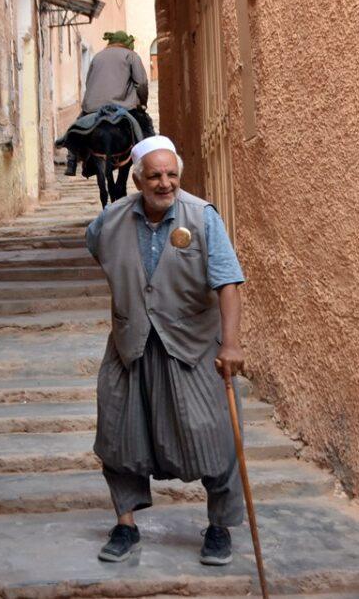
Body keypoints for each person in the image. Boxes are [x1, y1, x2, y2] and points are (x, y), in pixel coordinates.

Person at [85, 135, 246, 566]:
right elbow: (100, 250)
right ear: (137, 179)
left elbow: (228, 283)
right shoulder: (110, 220)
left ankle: (219, 527)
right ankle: (125, 525)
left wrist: (231, 343)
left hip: (192, 345)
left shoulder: (203, 216)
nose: (164, 183)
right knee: (118, 436)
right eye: (155, 175)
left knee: (217, 436)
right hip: (131, 345)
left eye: (171, 174)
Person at [60, 31, 155, 176]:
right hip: (122, 106)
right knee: (146, 126)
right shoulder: (131, 56)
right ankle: (151, 159)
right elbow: (141, 83)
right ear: (127, 43)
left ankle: (71, 162)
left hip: (93, 107)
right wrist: (142, 102)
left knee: (76, 128)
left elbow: (88, 82)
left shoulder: (97, 57)